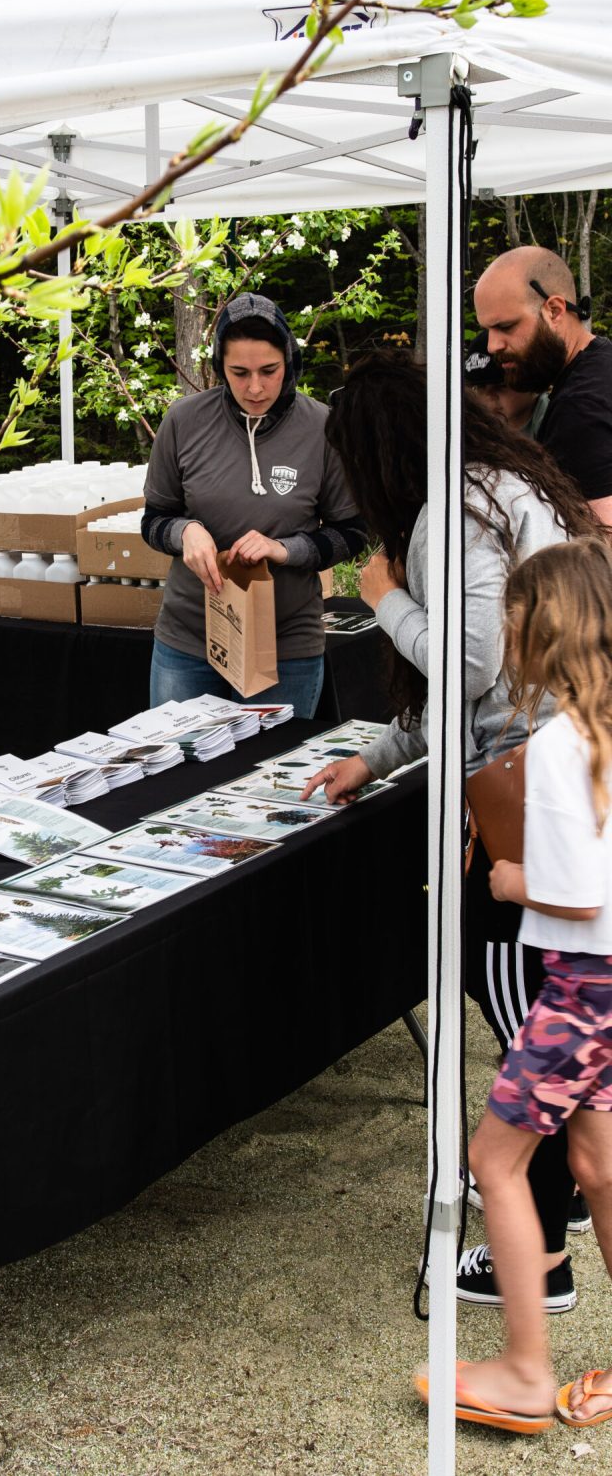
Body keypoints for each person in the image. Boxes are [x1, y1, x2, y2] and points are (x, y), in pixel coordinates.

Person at [299, 350, 602, 1309]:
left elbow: (471, 666)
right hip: (552, 782)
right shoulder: (510, 485)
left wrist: (381, 591)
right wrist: (383, 753)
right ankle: (559, 1207)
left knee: (527, 1025)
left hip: (520, 810)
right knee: (557, 1047)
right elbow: (472, 688)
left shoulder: (452, 514)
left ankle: (541, 1255)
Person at [433, 539, 612, 1434]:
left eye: (508, 614)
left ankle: (523, 1368)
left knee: (494, 1161)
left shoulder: (552, 744)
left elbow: (576, 895)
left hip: (583, 988)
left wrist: (509, 884)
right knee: (598, 1162)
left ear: (538, 628)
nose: (499, 629)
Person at [141, 291, 366, 715]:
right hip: (190, 639)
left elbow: (351, 534)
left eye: (269, 370)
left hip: (286, 645)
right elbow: (154, 519)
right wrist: (184, 531)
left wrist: (284, 549)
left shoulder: (322, 428)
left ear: (290, 362)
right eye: (239, 372)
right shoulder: (184, 421)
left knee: (268, 774)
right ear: (219, 367)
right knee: (182, 772)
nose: (256, 387)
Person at [474, 245, 612, 524]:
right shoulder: (603, 363)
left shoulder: (581, 409)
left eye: (506, 327)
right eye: (487, 330)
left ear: (554, 310)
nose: (492, 346)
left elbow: (601, 554)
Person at [464, 332, 548, 438]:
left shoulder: (555, 418)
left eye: (501, 386)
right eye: (480, 387)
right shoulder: (471, 427)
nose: (488, 397)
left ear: (531, 381)